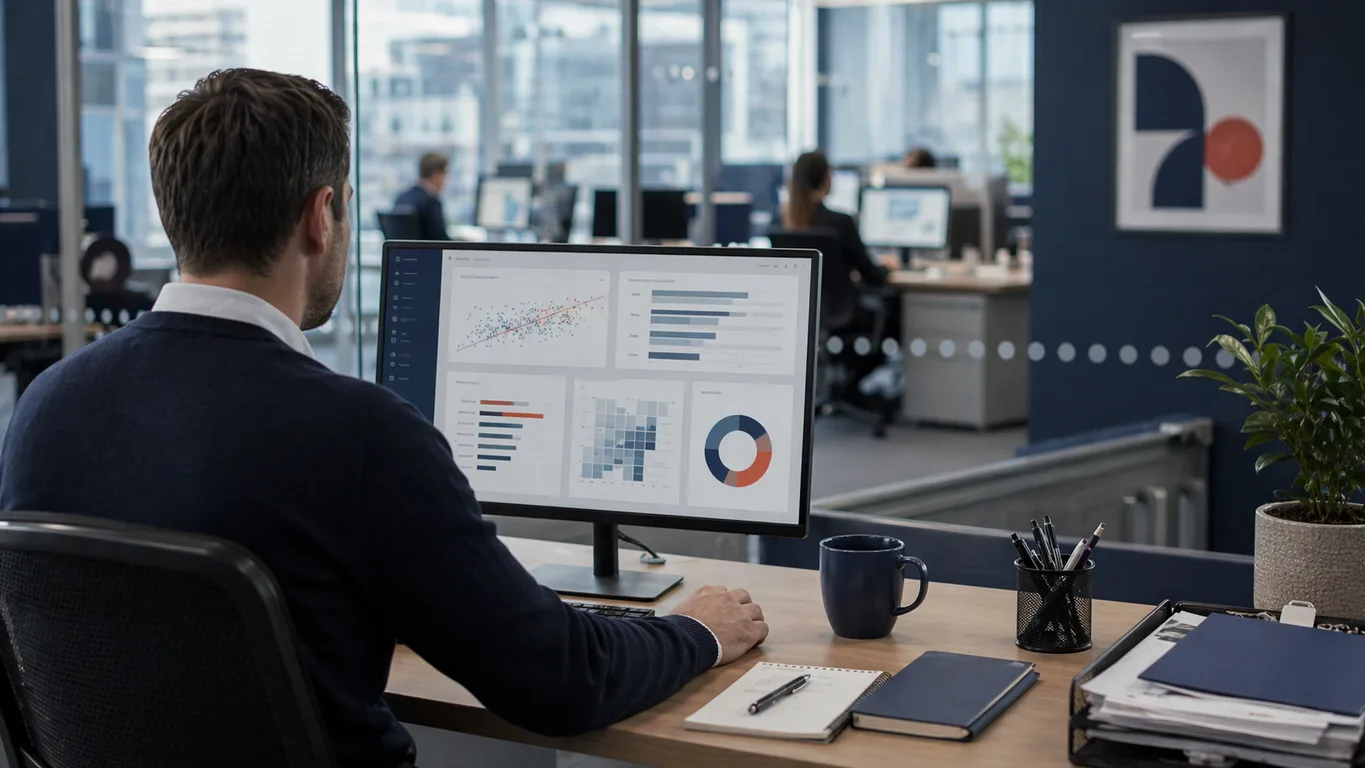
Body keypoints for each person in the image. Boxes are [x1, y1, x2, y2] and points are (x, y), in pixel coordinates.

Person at [0, 69, 767, 768]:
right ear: (321, 216)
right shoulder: (357, 434)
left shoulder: (46, 405)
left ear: (174, 213)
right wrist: (695, 629)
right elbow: (559, 683)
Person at [781, 150, 889, 289]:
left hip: (799, 309)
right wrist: (887, 268)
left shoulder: (781, 221)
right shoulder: (841, 222)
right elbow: (872, 276)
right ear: (827, 178)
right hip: (841, 310)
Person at [393, 152, 452, 241]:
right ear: (437, 174)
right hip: (427, 254)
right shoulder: (431, 203)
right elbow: (442, 241)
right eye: (445, 174)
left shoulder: (401, 198)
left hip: (403, 254)